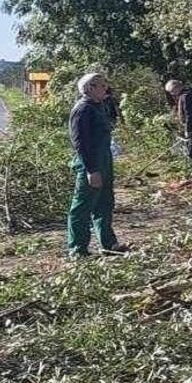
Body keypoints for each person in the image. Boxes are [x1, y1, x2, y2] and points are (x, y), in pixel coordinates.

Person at [67, 72, 127, 258]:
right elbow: (80, 142)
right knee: (82, 207)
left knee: (104, 203)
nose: (105, 88)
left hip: (104, 160)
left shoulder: (99, 106)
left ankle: (108, 244)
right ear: (89, 88)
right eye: (101, 85)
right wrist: (91, 170)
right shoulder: (83, 109)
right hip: (89, 164)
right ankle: (78, 249)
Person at [165, 79, 192, 170]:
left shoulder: (186, 96)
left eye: (172, 92)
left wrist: (188, 130)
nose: (172, 94)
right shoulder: (188, 95)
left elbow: (189, 115)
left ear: (177, 88)